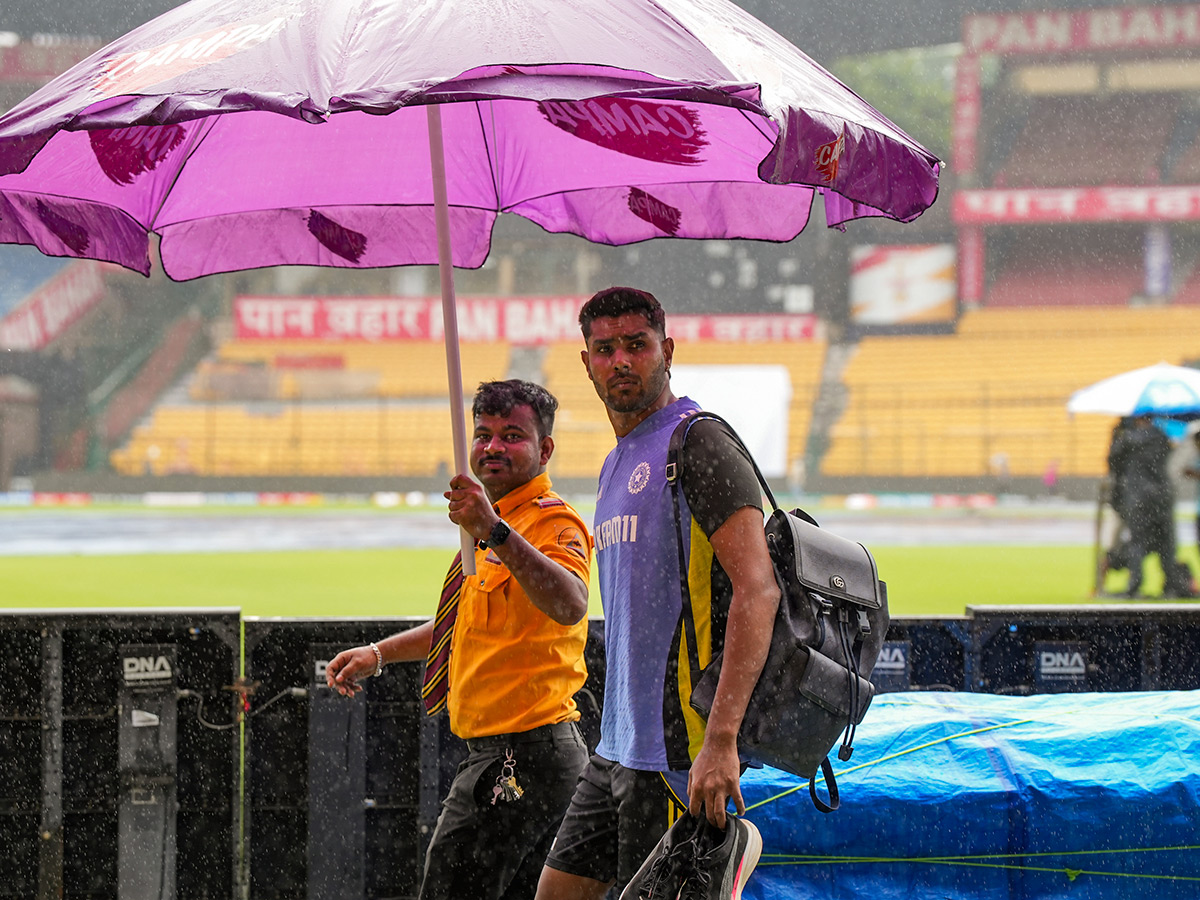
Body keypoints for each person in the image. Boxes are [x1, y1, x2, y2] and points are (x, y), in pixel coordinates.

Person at [536, 288, 780, 899]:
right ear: (586, 362)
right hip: (616, 749)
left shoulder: (697, 442)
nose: (621, 360)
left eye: (636, 345)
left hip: (679, 749)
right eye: (605, 348)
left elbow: (759, 591)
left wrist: (722, 741)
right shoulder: (614, 464)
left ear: (666, 351)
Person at [325, 379, 593, 900]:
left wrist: (493, 530)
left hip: (522, 761)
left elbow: (570, 603)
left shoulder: (548, 523)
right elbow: (461, 624)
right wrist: (379, 654)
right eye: (483, 434)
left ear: (546, 449)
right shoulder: (492, 527)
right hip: (505, 760)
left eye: (512, 435)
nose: (492, 447)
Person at [1106, 414, 1193, 598]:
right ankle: (1172, 585)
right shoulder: (1161, 437)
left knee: (1138, 542)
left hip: (1139, 498)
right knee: (1166, 543)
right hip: (1162, 496)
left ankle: (1134, 585)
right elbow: (1168, 462)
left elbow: (1112, 461)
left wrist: (1116, 435)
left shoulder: (1128, 439)